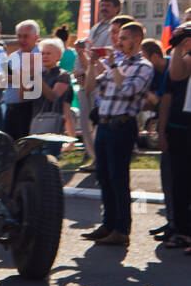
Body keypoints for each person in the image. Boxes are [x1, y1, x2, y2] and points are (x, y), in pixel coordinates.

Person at [79, 20, 154, 247]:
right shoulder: (118, 63)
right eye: (119, 38)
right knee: (103, 176)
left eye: (123, 38)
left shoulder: (143, 66)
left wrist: (112, 65)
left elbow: (129, 89)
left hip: (123, 126)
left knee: (118, 178)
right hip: (104, 124)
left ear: (136, 40)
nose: (118, 42)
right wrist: (92, 64)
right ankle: (108, 224)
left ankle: (122, 229)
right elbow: (91, 87)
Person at [73, 0, 124, 170]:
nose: (103, 8)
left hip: (100, 82)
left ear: (117, 8)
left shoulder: (116, 30)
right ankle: (94, 158)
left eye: (108, 5)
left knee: (97, 123)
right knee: (86, 122)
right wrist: (78, 71)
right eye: (102, 5)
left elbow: (102, 61)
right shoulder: (95, 28)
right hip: (86, 79)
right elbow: (85, 54)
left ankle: (100, 159)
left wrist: (87, 69)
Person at [159, 23, 191, 250]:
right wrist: (161, 131)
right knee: (180, 181)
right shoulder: (179, 57)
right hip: (179, 127)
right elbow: (174, 80)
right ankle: (181, 230)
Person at [27, 38, 74, 156]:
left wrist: (37, 79)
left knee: (48, 163)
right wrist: (25, 76)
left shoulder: (63, 75)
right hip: (37, 124)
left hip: (53, 128)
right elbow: (25, 96)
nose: (45, 56)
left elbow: (53, 97)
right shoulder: (40, 74)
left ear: (58, 56)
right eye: (42, 54)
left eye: (48, 53)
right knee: (35, 162)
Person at [4, 20, 42, 140]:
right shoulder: (13, 56)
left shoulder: (41, 55)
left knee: (24, 147)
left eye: (26, 36)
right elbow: (3, 79)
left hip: (28, 108)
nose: (21, 40)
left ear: (36, 37)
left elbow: (34, 79)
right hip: (11, 108)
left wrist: (14, 77)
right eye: (19, 36)